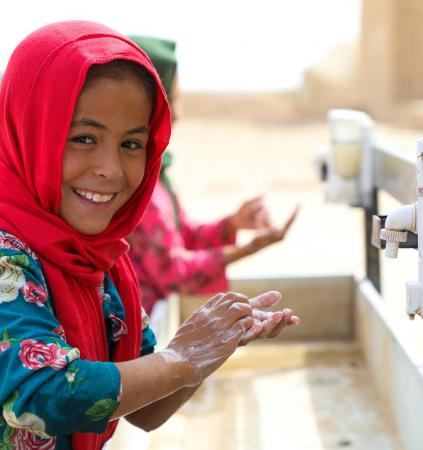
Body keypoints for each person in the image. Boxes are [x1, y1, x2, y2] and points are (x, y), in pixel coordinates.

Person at [0, 21, 299, 450]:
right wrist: (182, 358)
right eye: (84, 138)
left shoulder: (101, 262)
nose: (112, 169)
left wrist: (212, 345)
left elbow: (144, 409)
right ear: (30, 132)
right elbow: (44, 394)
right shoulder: (8, 257)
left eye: (132, 144)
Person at [127, 35, 298, 314]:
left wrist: (231, 225)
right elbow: (174, 273)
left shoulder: (156, 174)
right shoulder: (135, 183)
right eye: (173, 100)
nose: (178, 115)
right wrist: (249, 248)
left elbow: (182, 235)